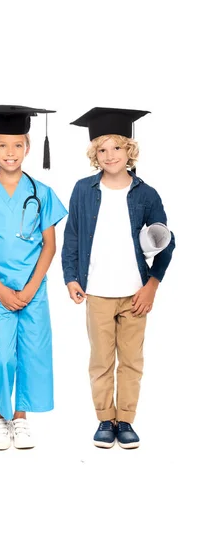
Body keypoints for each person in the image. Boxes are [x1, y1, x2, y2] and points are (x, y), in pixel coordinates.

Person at [62, 107, 175, 449]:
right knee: (100, 360)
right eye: (102, 149)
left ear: (130, 150)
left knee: (130, 360)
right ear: (94, 154)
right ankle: (104, 419)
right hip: (96, 291)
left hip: (134, 294)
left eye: (117, 147)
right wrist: (71, 277)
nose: (110, 155)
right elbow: (72, 237)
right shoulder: (83, 190)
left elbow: (166, 239)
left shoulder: (146, 194)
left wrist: (152, 285)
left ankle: (125, 419)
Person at [0, 105, 67, 450]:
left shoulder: (43, 193)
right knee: (3, 355)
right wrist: (1, 289)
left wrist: (32, 287)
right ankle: (1, 416)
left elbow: (50, 246)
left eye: (17, 145)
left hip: (35, 290)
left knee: (31, 353)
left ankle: (20, 419)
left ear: (28, 147)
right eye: (2, 145)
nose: (10, 153)